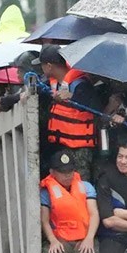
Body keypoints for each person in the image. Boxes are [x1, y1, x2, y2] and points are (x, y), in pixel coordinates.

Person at [35, 44, 101, 181]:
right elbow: (37, 90)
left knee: (81, 185)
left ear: (49, 66)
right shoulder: (52, 83)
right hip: (60, 146)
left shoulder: (81, 84)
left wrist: (72, 97)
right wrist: (3, 101)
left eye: (41, 65)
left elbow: (95, 107)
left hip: (80, 150)